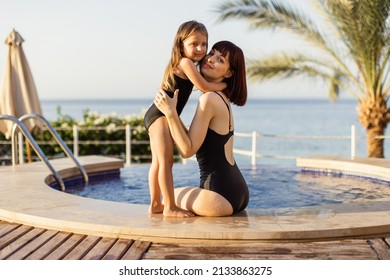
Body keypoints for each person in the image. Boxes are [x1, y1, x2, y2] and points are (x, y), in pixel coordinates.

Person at [154, 41, 249, 217]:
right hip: (239, 192)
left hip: (218, 196)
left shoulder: (209, 99)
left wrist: (170, 113)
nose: (211, 59)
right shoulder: (221, 98)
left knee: (165, 197)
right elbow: (192, 137)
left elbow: (187, 150)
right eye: (212, 53)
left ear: (228, 72)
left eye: (220, 59)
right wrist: (172, 113)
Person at [143, 20, 226, 217]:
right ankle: (170, 207)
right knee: (165, 162)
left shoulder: (185, 64)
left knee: (157, 162)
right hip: (160, 115)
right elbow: (204, 86)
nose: (200, 49)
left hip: (156, 114)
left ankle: (156, 204)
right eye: (194, 44)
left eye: (204, 44)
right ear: (181, 45)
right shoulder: (185, 62)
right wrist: (225, 86)